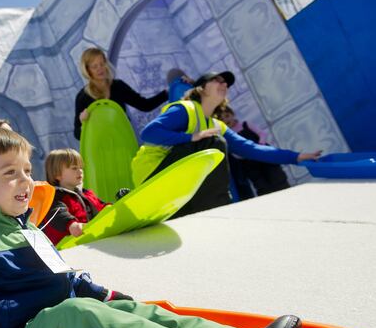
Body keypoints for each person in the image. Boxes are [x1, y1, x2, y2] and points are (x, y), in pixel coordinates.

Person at [0, 126, 303, 328]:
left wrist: (105, 294)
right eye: (9, 173)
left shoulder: (25, 226)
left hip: (51, 318)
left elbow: (63, 276)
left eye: (26, 171)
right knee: (79, 316)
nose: (26, 182)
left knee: (137, 312)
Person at [131, 71, 321, 218]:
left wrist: (296, 157)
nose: (224, 85)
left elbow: (251, 149)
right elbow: (149, 132)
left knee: (214, 140)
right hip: (153, 175)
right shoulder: (185, 109)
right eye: (217, 80)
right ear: (202, 89)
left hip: (175, 179)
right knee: (213, 141)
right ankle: (217, 205)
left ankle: (198, 207)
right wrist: (192, 137)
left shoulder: (216, 125)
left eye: (226, 83)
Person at [74, 47, 168, 140]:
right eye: (94, 66)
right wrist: (83, 123)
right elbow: (77, 134)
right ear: (87, 70)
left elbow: (145, 105)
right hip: (102, 147)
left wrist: (167, 93)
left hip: (125, 139)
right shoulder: (83, 97)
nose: (100, 69)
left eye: (102, 64)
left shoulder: (118, 86)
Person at [217, 106, 291, 200]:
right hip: (249, 163)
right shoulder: (228, 136)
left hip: (264, 156)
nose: (226, 120)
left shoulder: (245, 124)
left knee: (277, 177)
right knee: (262, 186)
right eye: (221, 119)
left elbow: (262, 134)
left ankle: (287, 196)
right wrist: (243, 155)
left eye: (227, 116)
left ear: (232, 114)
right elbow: (232, 151)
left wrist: (259, 146)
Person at [42, 148, 109, 245]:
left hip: (87, 240)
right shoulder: (54, 197)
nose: (80, 171)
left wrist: (114, 207)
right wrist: (70, 224)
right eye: (74, 168)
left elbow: (101, 207)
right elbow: (58, 213)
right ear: (57, 174)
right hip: (66, 246)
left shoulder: (85, 194)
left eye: (81, 167)